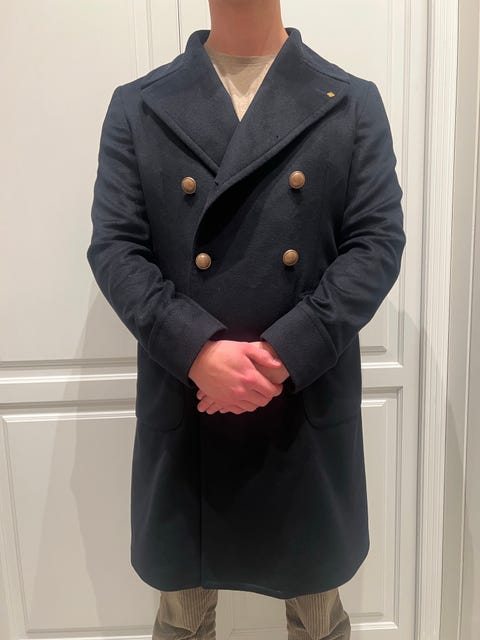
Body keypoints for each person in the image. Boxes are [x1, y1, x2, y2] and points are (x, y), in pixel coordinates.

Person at [86, 0, 406, 638]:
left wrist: (283, 354)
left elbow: (376, 245)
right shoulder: (139, 105)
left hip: (302, 404)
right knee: (182, 619)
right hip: (190, 403)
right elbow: (116, 248)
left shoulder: (350, 101)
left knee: (318, 619)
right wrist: (197, 351)